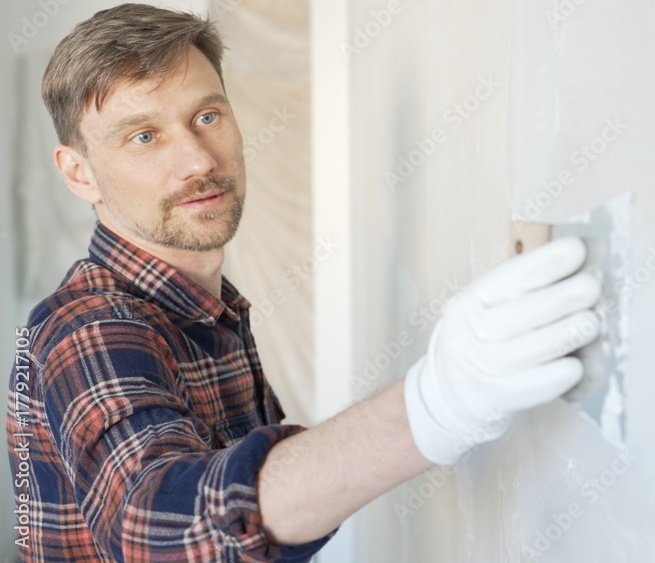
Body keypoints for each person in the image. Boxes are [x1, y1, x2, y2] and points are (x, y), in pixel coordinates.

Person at [5, 4, 601, 560]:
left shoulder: (213, 313)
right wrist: (436, 404)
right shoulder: (86, 325)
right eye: (144, 136)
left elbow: (256, 534)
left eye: (207, 116)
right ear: (79, 174)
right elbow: (154, 521)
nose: (198, 160)